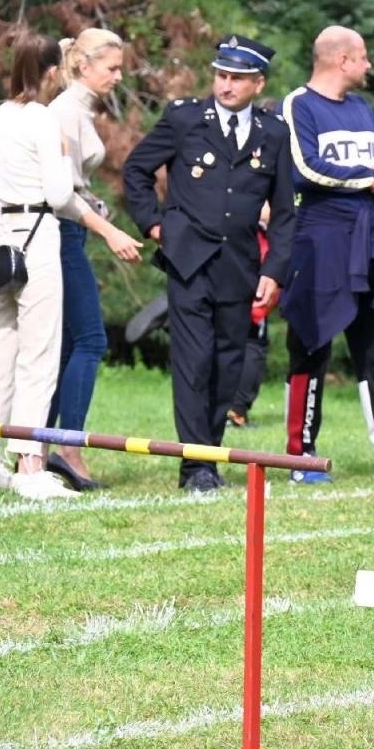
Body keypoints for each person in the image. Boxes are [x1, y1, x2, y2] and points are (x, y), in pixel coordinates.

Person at [122, 35, 296, 491]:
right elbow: (137, 170)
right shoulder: (184, 119)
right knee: (194, 362)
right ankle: (196, 465)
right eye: (221, 75)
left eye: (237, 78)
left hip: (240, 265)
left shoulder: (273, 133)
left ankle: (210, 453)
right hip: (189, 259)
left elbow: (284, 212)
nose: (226, 85)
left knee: (227, 363)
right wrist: (154, 225)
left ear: (258, 84)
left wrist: (275, 270)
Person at [277, 25, 374, 485]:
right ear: (342, 60)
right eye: (363, 57)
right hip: (321, 242)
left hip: (372, 244)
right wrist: (372, 176)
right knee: (310, 346)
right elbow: (306, 168)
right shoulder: (298, 105)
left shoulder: (363, 109)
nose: (369, 66)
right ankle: (300, 457)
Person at [0, 34, 79, 499]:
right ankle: (30, 466)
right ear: (51, 72)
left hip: (1, 234)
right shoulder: (44, 118)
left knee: (2, 350)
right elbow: (59, 195)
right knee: (39, 352)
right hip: (37, 233)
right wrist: (66, 160)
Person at [42, 28, 146, 490]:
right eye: (112, 68)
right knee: (90, 340)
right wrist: (108, 230)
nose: (119, 77)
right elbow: (60, 196)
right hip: (62, 234)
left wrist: (96, 207)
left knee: (65, 346)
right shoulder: (64, 111)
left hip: (72, 231)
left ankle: (38, 448)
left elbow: (74, 186)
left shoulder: (78, 110)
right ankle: (67, 449)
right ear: (83, 66)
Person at [226, 203, 275, 429]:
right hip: (250, 300)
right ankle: (236, 411)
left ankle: (227, 408)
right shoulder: (257, 232)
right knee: (253, 348)